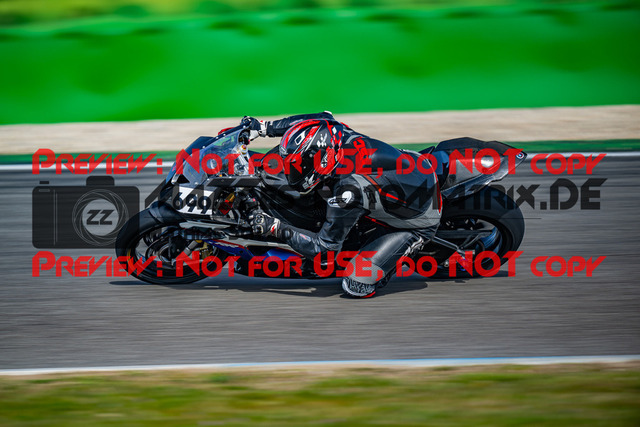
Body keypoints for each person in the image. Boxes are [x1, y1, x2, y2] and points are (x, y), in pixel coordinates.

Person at [244, 112, 441, 298]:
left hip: (421, 216)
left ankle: (405, 248)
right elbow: (317, 118)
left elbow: (324, 250)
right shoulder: (333, 132)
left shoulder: (348, 191)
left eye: (298, 166)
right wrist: (264, 127)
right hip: (411, 167)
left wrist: (275, 228)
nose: (290, 171)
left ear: (321, 162)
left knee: (355, 285)